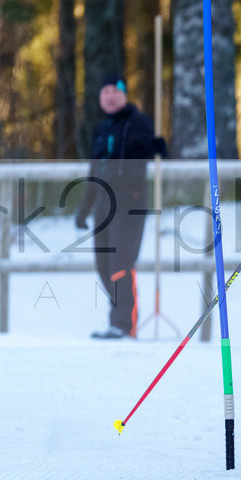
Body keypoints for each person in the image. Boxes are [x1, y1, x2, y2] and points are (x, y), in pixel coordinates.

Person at [75, 73, 164, 339]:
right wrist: (84, 208)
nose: (111, 96)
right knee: (103, 265)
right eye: (106, 92)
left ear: (124, 94)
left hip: (129, 203)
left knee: (120, 262)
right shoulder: (101, 129)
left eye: (116, 91)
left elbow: (149, 150)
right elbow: (95, 169)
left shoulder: (138, 123)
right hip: (103, 205)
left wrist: (154, 147)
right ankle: (117, 319)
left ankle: (124, 324)